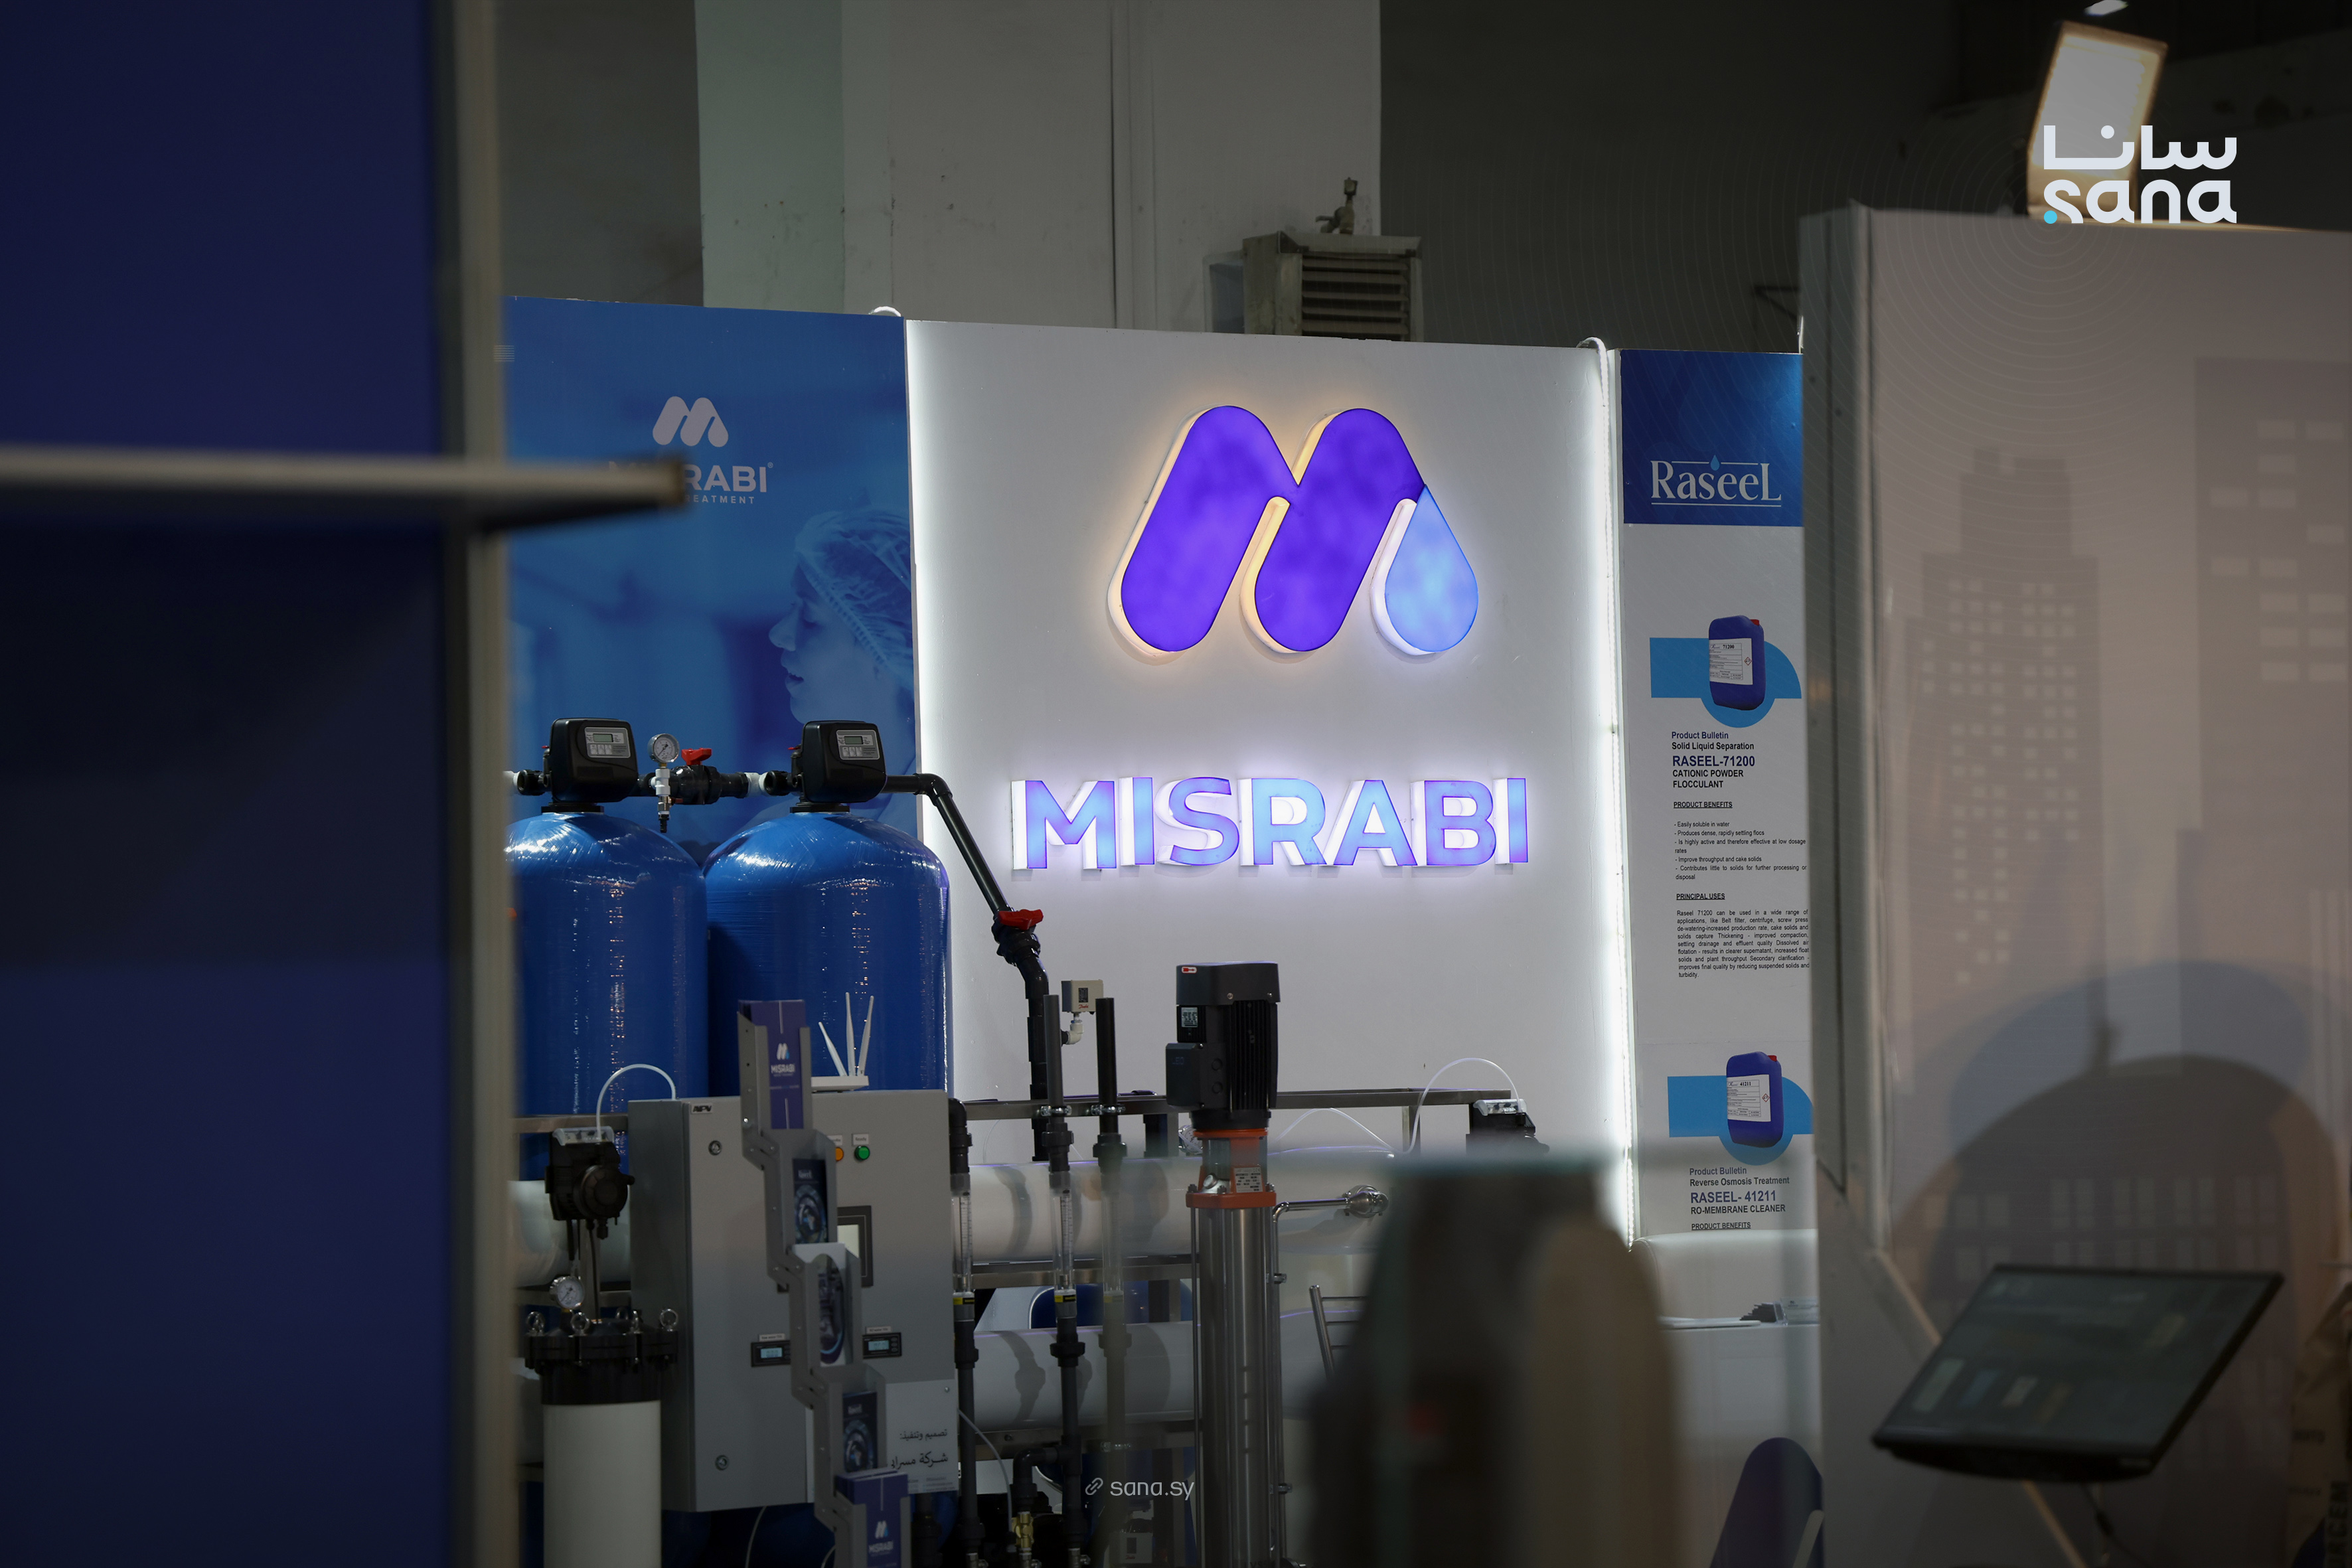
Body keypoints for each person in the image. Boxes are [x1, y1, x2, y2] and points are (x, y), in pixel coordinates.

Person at [768, 507, 917, 831]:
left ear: (883, 648)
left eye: (810, 618)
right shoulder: (780, 829)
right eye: (791, 608)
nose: (779, 634)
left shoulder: (934, 821)